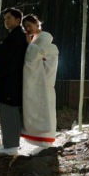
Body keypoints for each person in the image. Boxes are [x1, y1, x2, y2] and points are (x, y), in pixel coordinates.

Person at [0, 7, 28, 154]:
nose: (6, 21)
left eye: (9, 18)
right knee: (8, 110)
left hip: (10, 79)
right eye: (4, 18)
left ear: (18, 20)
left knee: (9, 110)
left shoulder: (17, 36)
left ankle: (11, 145)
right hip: (9, 79)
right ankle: (11, 143)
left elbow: (4, 53)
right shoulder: (13, 36)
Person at [20, 14, 59, 147]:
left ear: (37, 23)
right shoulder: (36, 40)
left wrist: (28, 44)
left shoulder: (44, 39)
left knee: (45, 107)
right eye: (25, 27)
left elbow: (32, 57)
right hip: (37, 80)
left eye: (29, 25)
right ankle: (36, 137)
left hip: (44, 80)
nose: (28, 29)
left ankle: (45, 138)